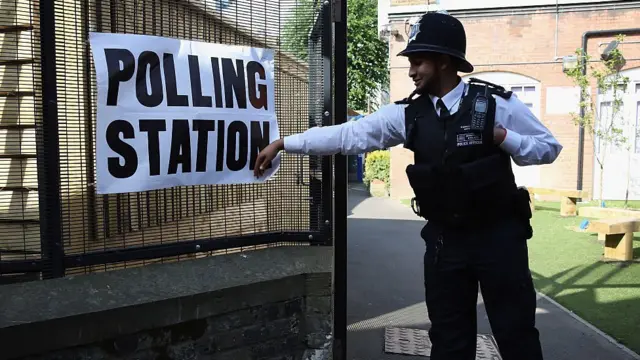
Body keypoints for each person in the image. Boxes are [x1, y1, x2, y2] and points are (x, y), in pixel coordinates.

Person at [253, 10, 561, 360]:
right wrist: (285, 143)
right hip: (446, 244)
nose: (412, 71)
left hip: (499, 239)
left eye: (418, 62)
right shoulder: (407, 114)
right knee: (448, 341)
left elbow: (548, 148)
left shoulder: (496, 105)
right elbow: (350, 135)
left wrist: (505, 137)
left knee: (516, 335)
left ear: (445, 61)